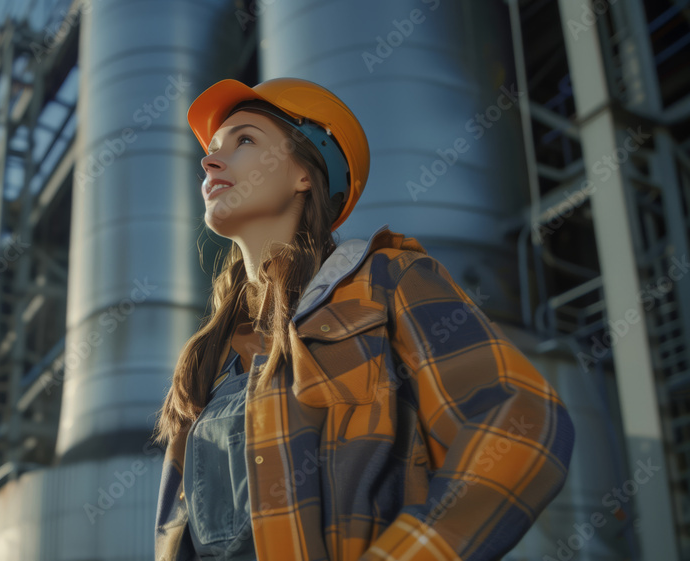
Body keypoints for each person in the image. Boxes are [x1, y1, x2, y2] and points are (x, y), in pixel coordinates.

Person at [152, 77, 575, 561]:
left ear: (305, 174)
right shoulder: (208, 359)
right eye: (212, 148)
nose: (208, 159)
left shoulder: (388, 283)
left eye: (244, 139)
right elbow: (174, 536)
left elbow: (521, 422)